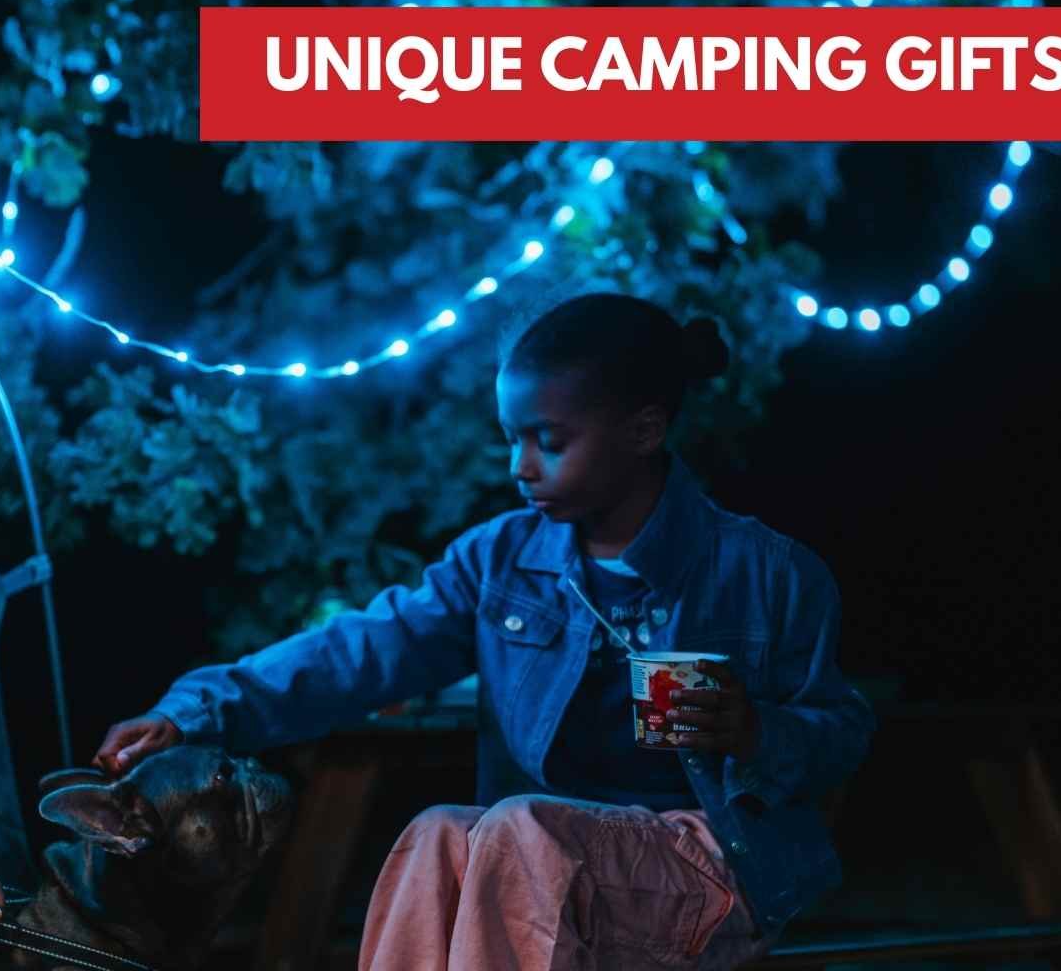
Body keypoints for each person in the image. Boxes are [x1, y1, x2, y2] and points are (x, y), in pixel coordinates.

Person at [94, 293, 874, 969]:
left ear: (643, 430)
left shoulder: (767, 573)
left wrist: (754, 731)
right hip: (536, 868)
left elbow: (841, 733)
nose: (520, 465)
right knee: (439, 833)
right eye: (512, 438)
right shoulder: (499, 563)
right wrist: (194, 712)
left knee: (517, 828)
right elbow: (362, 650)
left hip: (706, 869)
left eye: (549, 441)